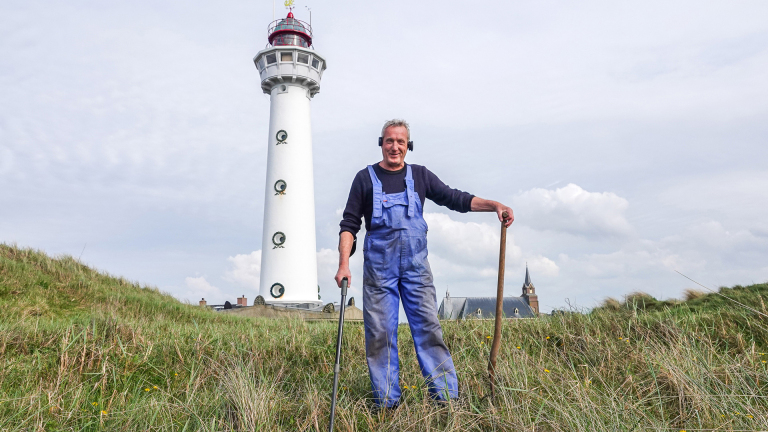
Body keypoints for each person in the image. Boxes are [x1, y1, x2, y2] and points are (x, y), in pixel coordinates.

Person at [335, 119, 514, 408]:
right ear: (381, 143)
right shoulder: (364, 179)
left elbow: (455, 198)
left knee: (429, 329)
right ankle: (386, 404)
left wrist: (495, 205)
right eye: (389, 141)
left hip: (416, 271)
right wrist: (344, 264)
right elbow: (349, 224)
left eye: (401, 142)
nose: (395, 147)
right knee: (380, 334)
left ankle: (446, 400)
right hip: (379, 273)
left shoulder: (420, 176)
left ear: (408, 146)